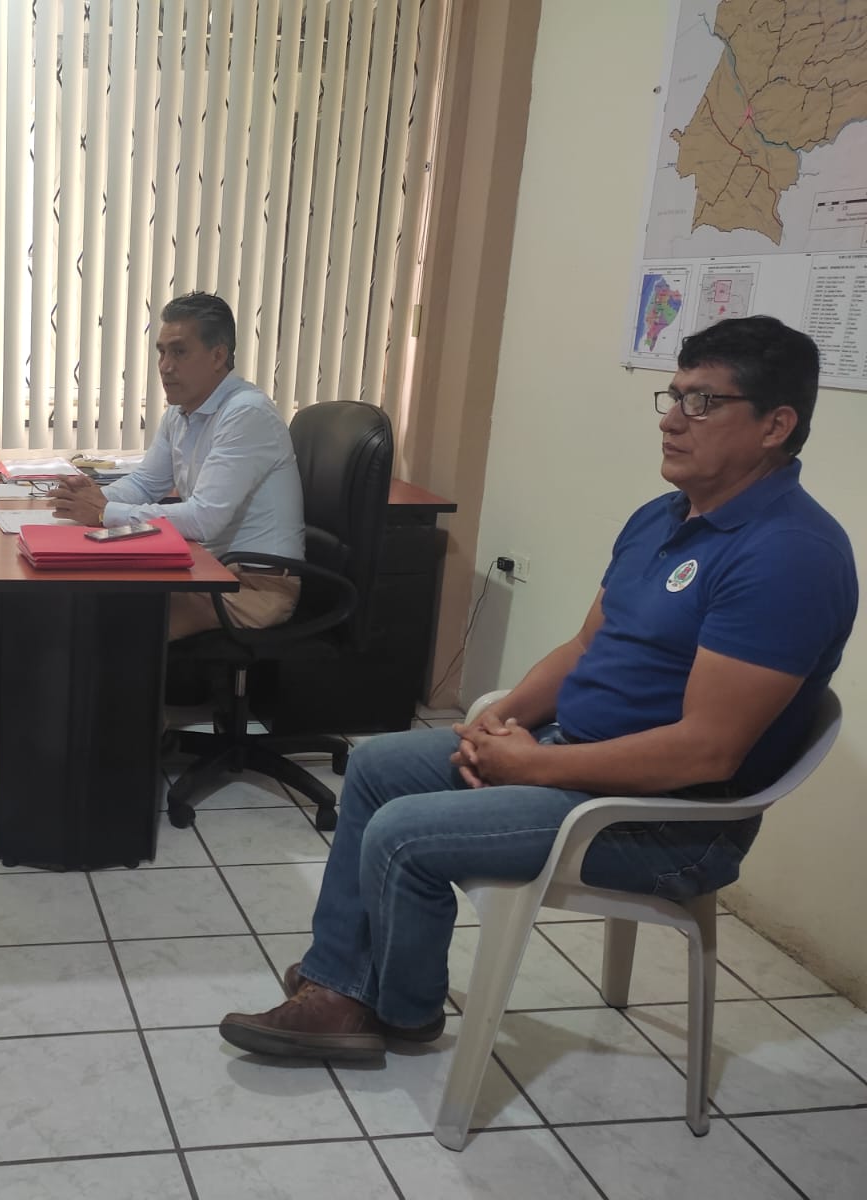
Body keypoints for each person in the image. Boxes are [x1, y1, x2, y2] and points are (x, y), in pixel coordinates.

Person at [218, 316, 856, 1061]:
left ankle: (396, 1010)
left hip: (667, 822)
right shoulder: (663, 517)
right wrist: (498, 724)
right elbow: (586, 647)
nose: (673, 420)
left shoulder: (789, 556)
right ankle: (345, 979)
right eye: (674, 395)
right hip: (575, 755)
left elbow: (707, 753)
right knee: (378, 766)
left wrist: (535, 765)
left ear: (776, 425)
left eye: (704, 402)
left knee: (402, 832)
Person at [49, 292, 305, 640]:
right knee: (92, 593)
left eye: (179, 352)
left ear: (218, 356)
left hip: (253, 588)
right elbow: (144, 484)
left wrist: (103, 512)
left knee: (114, 619)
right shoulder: (180, 412)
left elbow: (203, 519)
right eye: (161, 352)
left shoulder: (246, 413)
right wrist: (93, 497)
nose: (165, 366)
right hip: (209, 568)